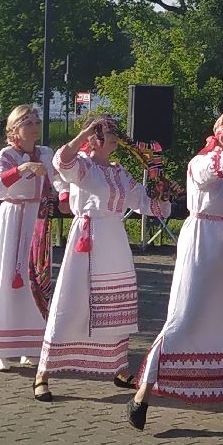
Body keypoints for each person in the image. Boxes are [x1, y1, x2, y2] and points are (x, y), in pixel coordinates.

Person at [127, 111, 223, 430]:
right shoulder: (202, 162)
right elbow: (214, 169)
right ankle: (142, 395)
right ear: (222, 135)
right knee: (186, 314)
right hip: (204, 244)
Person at [33, 118, 171, 403]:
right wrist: (83, 132)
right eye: (107, 133)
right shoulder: (83, 165)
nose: (113, 138)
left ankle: (119, 367)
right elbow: (61, 161)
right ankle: (43, 373)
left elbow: (144, 203)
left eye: (114, 134)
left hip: (115, 240)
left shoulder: (120, 172)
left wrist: (162, 190)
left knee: (115, 304)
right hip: (88, 238)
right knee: (71, 301)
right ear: (93, 137)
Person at [0, 106, 56, 375]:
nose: (35, 127)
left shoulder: (45, 153)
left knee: (35, 278)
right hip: (14, 216)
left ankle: (30, 346)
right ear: (15, 128)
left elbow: (59, 181)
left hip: (37, 220)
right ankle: (1, 349)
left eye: (37, 122)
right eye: (29, 123)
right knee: (7, 275)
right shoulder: (7, 155)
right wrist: (22, 169)